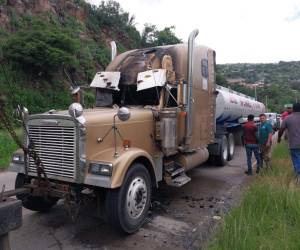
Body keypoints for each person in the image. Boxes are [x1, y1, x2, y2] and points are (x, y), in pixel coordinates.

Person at [278, 103, 300, 181]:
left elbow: (281, 130)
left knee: (296, 160)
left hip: (294, 144)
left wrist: (279, 138)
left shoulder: (287, 118)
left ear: (293, 109)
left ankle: (298, 177)